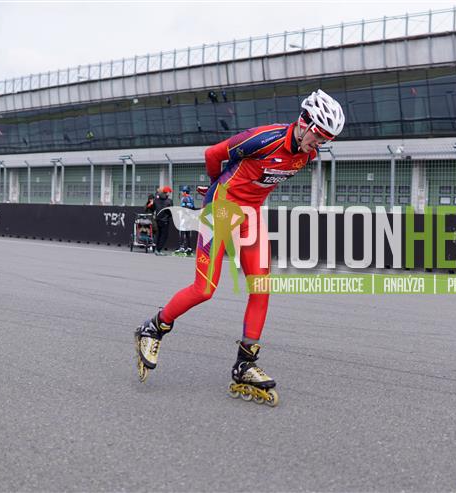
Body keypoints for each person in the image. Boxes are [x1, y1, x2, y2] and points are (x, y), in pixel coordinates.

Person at [134, 89, 345, 406]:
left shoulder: (307, 154)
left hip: (251, 216)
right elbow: (213, 154)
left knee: (261, 287)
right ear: (304, 122)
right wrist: (216, 186)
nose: (321, 145)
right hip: (221, 209)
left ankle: (245, 364)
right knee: (204, 289)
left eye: (327, 140)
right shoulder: (264, 138)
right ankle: (153, 329)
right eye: (320, 136)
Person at [175, 186, 196, 256]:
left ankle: (182, 247)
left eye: (182, 191)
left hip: (185, 218)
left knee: (182, 232)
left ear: (185, 192)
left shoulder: (185, 198)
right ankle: (189, 248)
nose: (181, 193)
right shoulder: (191, 198)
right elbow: (193, 208)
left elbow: (185, 208)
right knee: (187, 233)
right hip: (190, 218)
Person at [153, 187, 173, 255]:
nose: (170, 193)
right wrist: (169, 216)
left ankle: (156, 249)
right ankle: (158, 250)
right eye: (169, 192)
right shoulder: (169, 201)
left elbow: (153, 207)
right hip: (165, 220)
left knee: (159, 235)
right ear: (167, 192)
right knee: (164, 236)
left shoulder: (156, 199)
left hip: (158, 219)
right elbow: (170, 211)